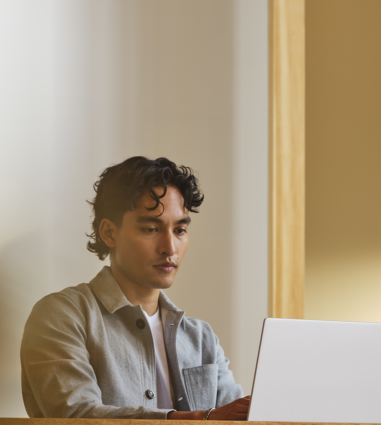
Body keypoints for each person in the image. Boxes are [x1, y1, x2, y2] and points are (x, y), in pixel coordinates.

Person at [20, 156, 250, 420]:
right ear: (108, 233)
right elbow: (75, 414)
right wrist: (201, 419)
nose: (170, 248)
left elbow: (238, 418)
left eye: (180, 230)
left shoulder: (201, 338)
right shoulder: (62, 316)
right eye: (151, 228)